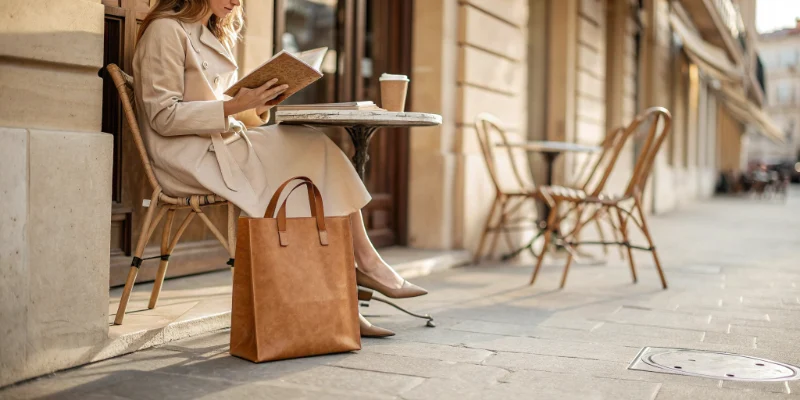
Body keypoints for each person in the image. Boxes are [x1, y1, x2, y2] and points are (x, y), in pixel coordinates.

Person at [133, 0, 426, 337]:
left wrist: (257, 104)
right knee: (305, 157)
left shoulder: (210, 30)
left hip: (221, 144)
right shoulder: (165, 31)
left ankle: (357, 275)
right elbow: (163, 117)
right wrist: (236, 104)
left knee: (313, 149)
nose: (237, 3)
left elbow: (219, 106)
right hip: (187, 157)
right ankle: (348, 288)